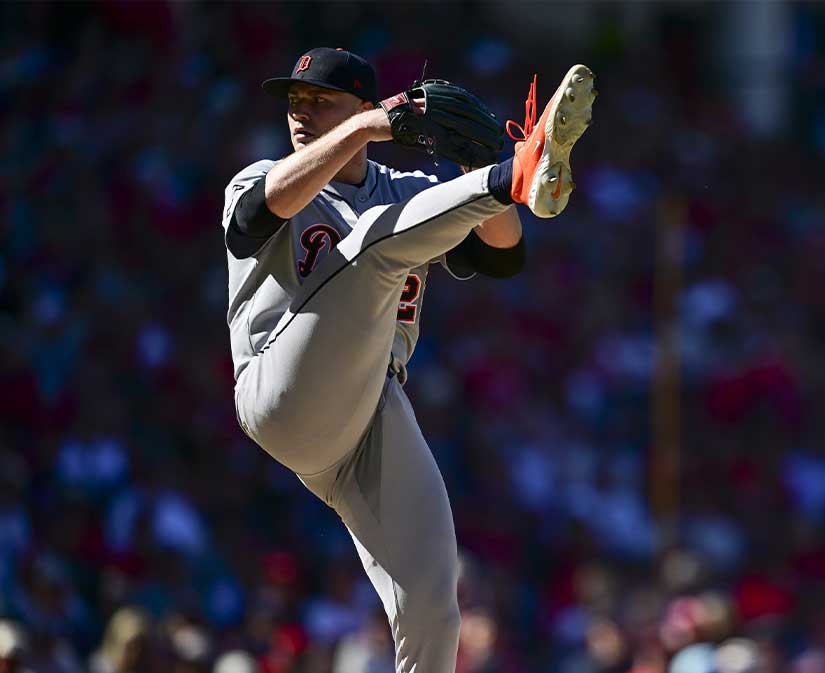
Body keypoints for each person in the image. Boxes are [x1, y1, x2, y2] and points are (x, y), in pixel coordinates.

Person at [220, 47, 596, 673]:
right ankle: (519, 171)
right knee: (373, 249)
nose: (302, 113)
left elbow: (505, 256)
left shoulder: (409, 192)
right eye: (296, 101)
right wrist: (371, 130)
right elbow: (261, 214)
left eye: (322, 101)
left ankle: (516, 172)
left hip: (370, 412)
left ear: (367, 103)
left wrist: (483, 166)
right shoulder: (259, 177)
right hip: (279, 386)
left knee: (432, 603)